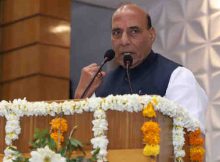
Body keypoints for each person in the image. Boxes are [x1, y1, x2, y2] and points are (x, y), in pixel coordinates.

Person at [74, 3, 207, 132]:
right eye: (117, 33)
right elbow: (81, 137)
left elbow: (192, 138)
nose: (124, 41)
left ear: (151, 35)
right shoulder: (101, 85)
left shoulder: (177, 77)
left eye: (134, 31)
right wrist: (80, 97)